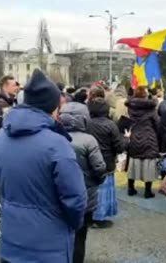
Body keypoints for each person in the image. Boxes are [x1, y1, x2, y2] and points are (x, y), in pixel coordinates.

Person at [0, 69, 87, 263]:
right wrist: (73, 224)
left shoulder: (0, 137)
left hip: (11, 240)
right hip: (49, 247)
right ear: (52, 107)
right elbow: (75, 199)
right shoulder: (57, 144)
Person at [60, 96, 107, 263]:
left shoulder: (55, 138)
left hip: (59, 195)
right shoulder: (89, 140)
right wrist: (97, 181)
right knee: (80, 236)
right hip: (85, 194)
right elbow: (99, 167)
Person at [87, 97, 128, 228]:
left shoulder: (87, 123)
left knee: (90, 189)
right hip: (106, 162)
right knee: (104, 192)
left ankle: (89, 216)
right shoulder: (111, 125)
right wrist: (127, 139)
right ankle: (99, 218)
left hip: (90, 161)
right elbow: (119, 146)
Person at [126, 86, 159, 198]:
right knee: (148, 163)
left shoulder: (130, 108)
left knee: (133, 162)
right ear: (145, 95)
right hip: (149, 137)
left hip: (134, 136)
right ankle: (147, 191)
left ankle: (130, 188)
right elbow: (157, 123)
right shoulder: (151, 109)